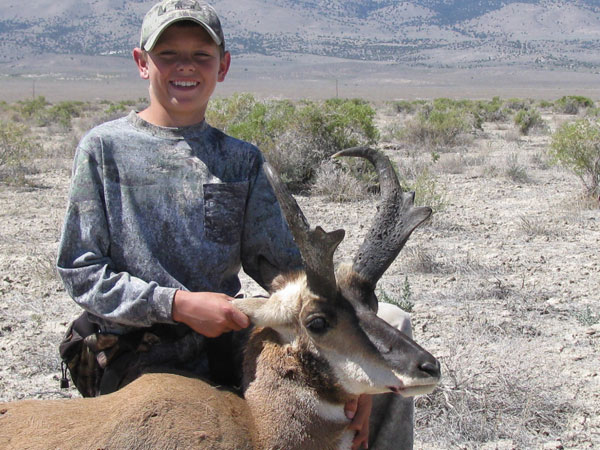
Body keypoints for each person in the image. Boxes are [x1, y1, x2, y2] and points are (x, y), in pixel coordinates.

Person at [57, 1, 414, 448]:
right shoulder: (103, 149)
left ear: (222, 65)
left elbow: (283, 272)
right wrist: (177, 305)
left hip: (227, 337)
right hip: (134, 344)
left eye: (201, 55)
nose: (185, 67)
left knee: (391, 326)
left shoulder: (241, 159)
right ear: (141, 63)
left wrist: (361, 377)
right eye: (167, 54)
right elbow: (81, 270)